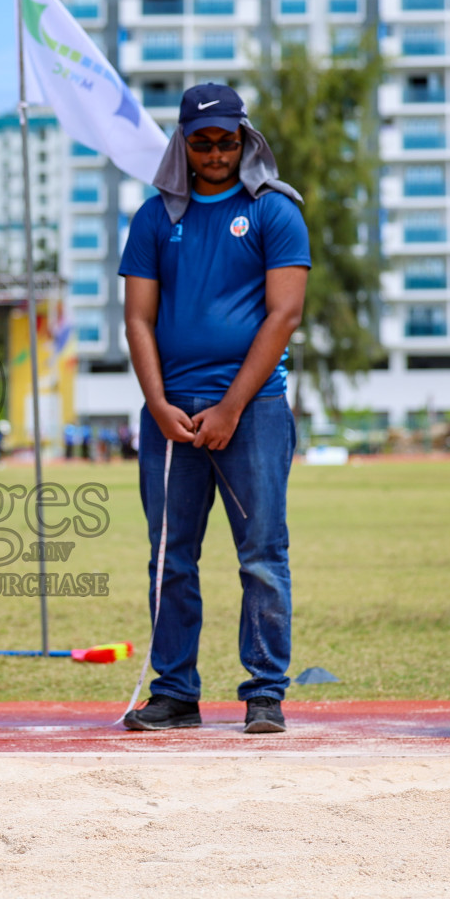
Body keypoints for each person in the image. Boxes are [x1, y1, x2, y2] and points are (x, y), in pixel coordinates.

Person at [121, 83, 311, 733]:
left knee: (262, 553)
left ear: (245, 139)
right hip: (169, 416)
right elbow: (139, 321)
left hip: (252, 410)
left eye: (227, 141)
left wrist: (231, 406)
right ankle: (176, 693)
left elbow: (284, 315)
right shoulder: (153, 218)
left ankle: (265, 694)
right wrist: (158, 404)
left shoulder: (275, 212)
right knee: (171, 557)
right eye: (201, 142)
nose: (215, 153)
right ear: (184, 144)